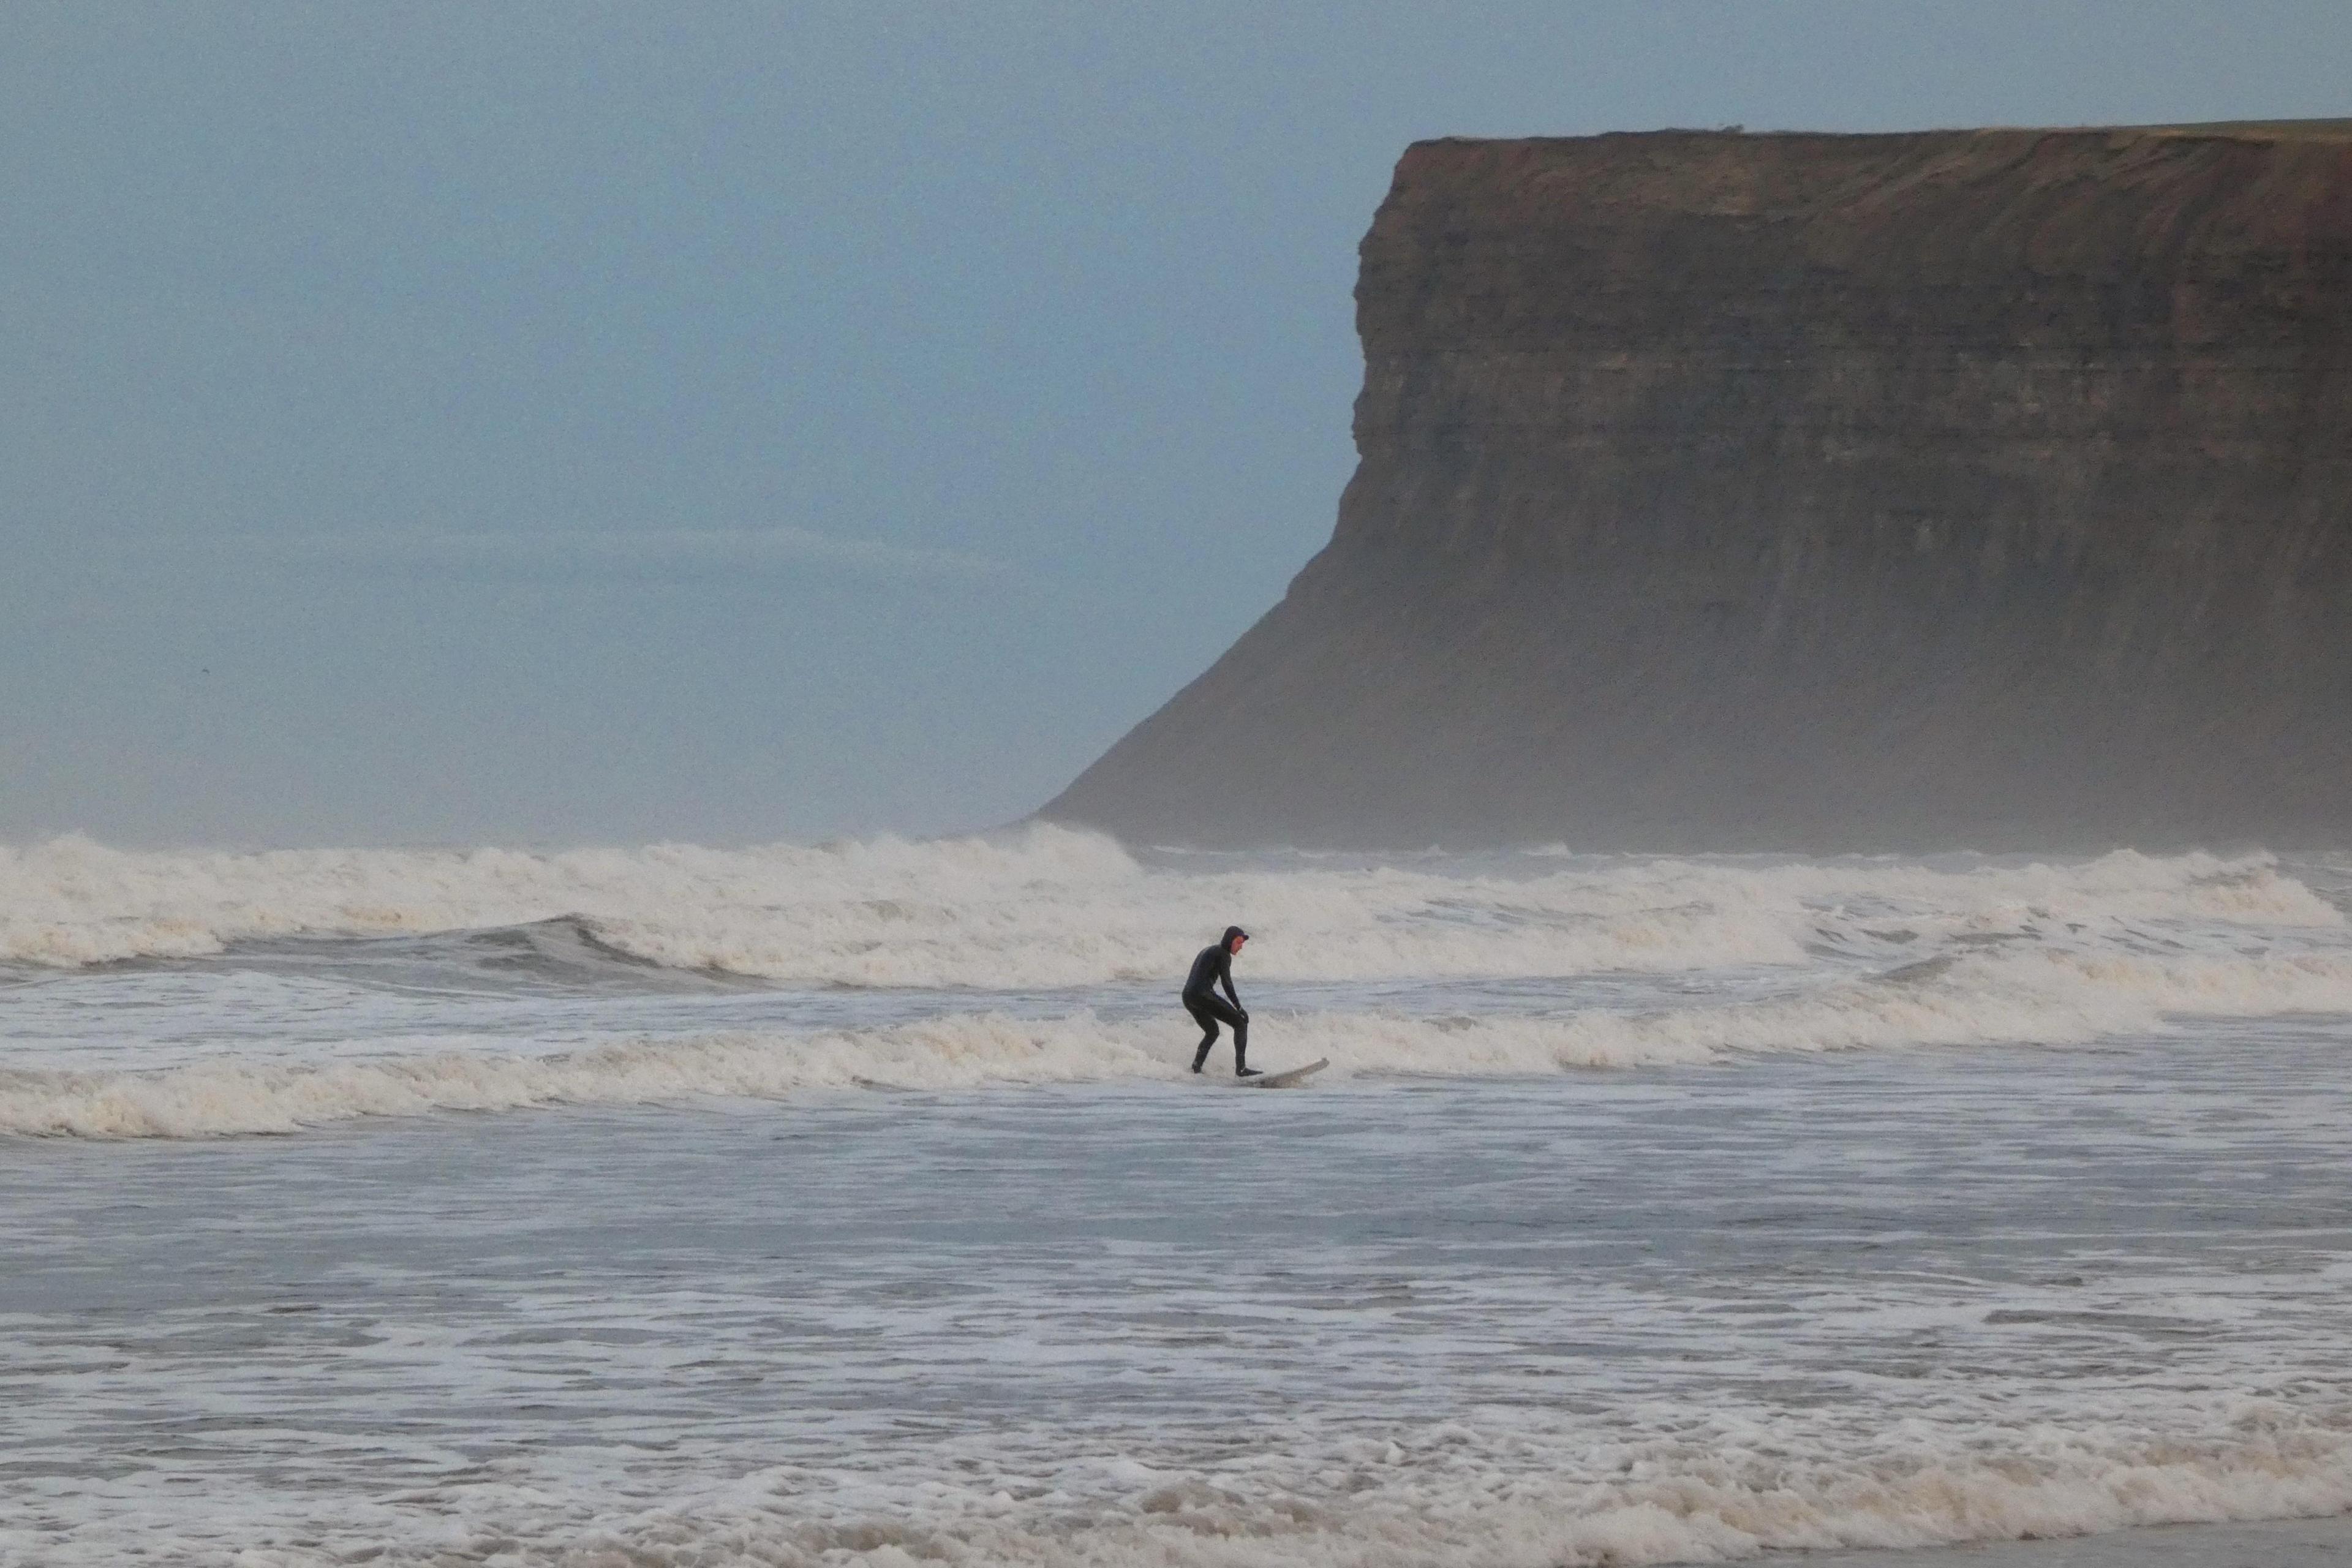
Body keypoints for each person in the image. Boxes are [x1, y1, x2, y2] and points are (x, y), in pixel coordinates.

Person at [1184, 925, 1257, 1077]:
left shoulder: (1210, 950)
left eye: (1242, 944)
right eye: (1238, 942)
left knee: (1212, 1031)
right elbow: (1227, 983)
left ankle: (1196, 1069)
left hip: (1188, 996)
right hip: (1202, 995)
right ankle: (1241, 1069)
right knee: (1241, 1023)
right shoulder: (1223, 954)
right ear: (1229, 940)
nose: (1241, 947)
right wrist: (1239, 1008)